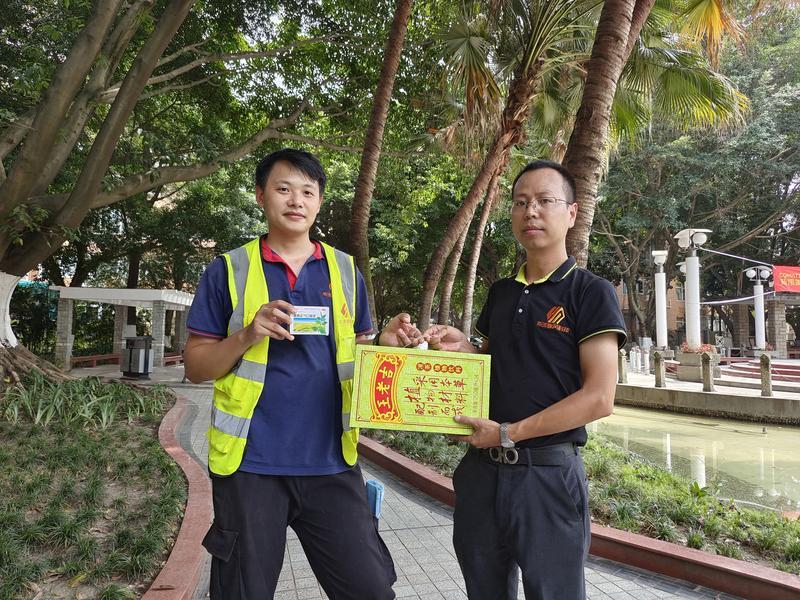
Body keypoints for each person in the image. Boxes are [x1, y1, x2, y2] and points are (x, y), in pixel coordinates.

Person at [184, 148, 416, 599]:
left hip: (331, 461)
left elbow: (357, 355)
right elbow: (195, 367)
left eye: (308, 192)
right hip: (250, 466)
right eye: (283, 188)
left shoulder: (345, 270)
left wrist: (385, 346)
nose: (296, 200)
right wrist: (248, 333)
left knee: (371, 589)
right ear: (260, 195)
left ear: (319, 201)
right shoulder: (228, 270)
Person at [423, 160, 627, 599]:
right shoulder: (502, 292)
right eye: (520, 202)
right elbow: (497, 366)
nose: (530, 211)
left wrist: (508, 433)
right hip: (481, 475)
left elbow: (599, 397)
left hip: (547, 478)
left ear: (571, 213)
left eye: (544, 200)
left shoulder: (590, 292)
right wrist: (464, 349)